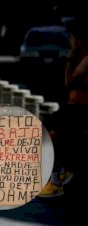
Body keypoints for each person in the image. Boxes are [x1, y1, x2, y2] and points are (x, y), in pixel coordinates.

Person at [38, 16, 88, 199]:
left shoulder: (86, 57)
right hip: (74, 107)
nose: (70, 40)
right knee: (52, 132)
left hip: (81, 109)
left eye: (72, 36)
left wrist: (70, 57)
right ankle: (59, 174)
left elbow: (70, 80)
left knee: (51, 133)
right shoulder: (81, 55)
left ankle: (59, 177)